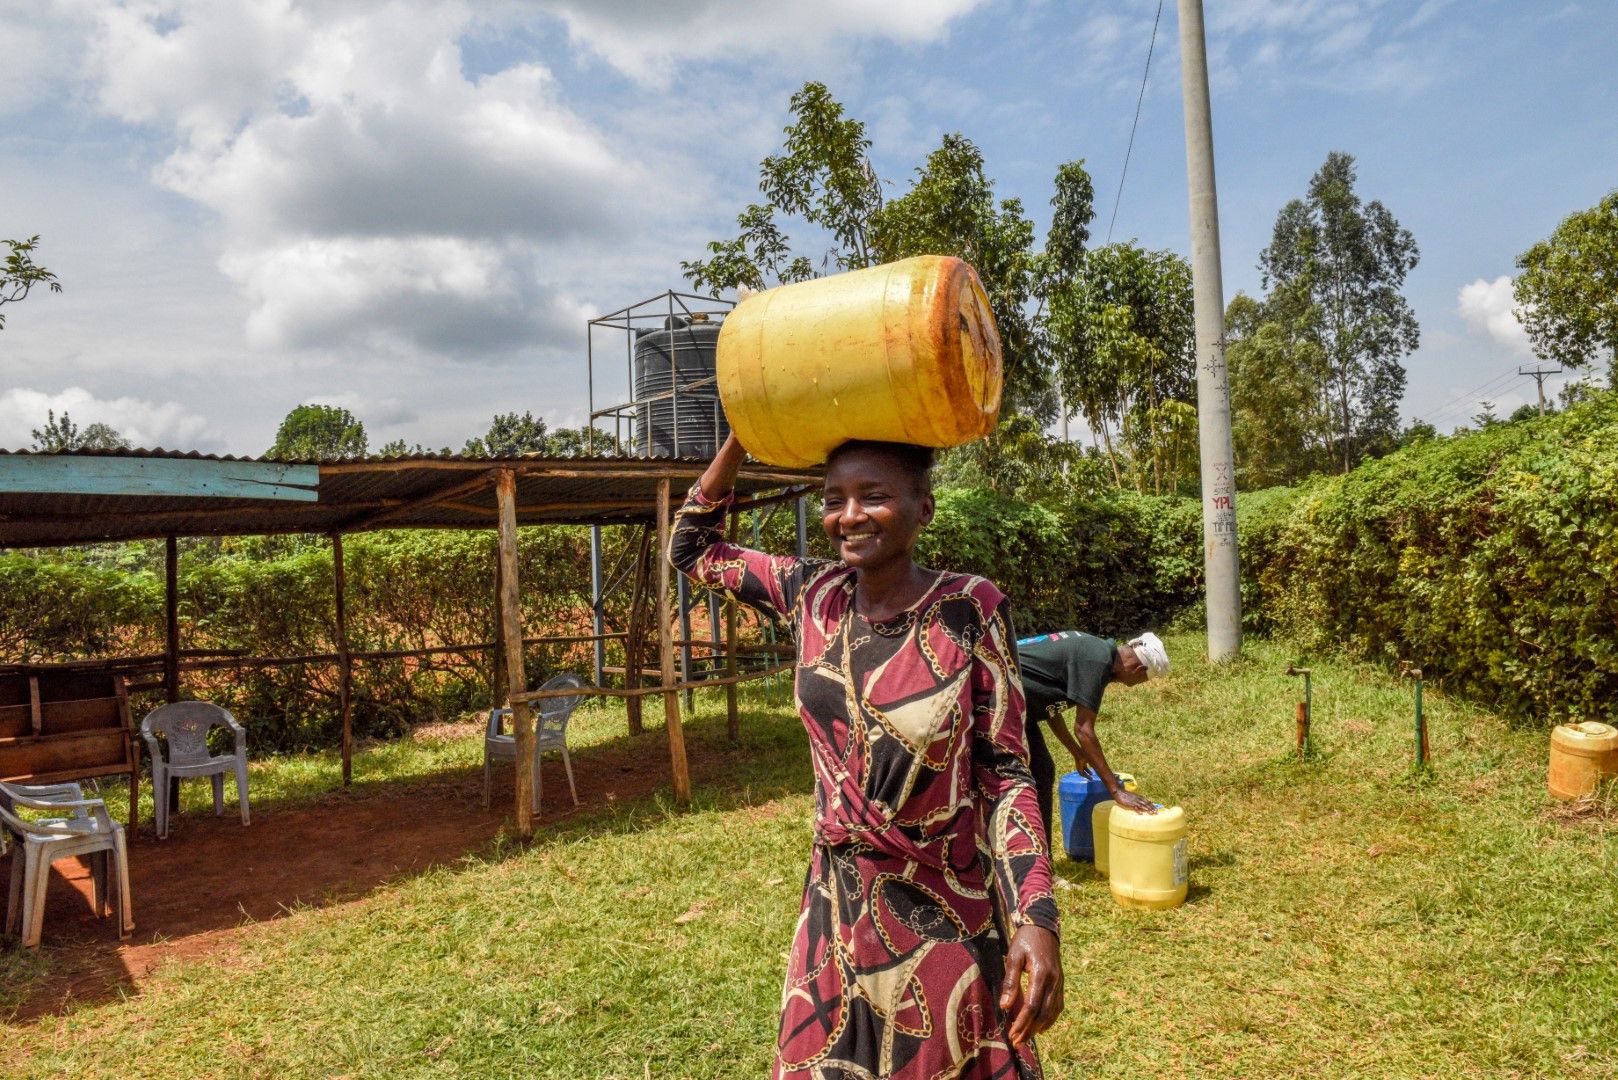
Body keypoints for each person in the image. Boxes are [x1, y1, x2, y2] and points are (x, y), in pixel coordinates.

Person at [670, 432, 1063, 1080]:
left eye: (873, 496)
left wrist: (1036, 917)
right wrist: (743, 434)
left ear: (923, 506)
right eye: (834, 499)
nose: (848, 515)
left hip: (944, 911)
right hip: (836, 912)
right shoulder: (810, 593)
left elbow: (1009, 774)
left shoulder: (969, 609)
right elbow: (691, 547)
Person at [1015, 631, 1170, 836]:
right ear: (1138, 669)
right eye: (1140, 681)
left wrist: (1076, 752)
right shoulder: (1096, 662)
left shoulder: (1094, 650)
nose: (1132, 685)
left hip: (1020, 706)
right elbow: (1084, 730)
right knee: (1027, 775)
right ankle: (1031, 855)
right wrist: (1116, 791)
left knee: (1041, 770)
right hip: (998, 699)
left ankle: (1041, 856)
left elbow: (1051, 706)